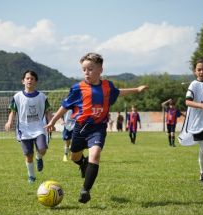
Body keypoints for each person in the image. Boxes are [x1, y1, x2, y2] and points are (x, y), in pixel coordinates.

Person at [45, 52, 148, 203]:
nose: (86, 72)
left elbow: (119, 93)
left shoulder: (107, 86)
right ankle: (83, 164)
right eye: (84, 69)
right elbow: (65, 106)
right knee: (75, 157)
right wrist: (52, 121)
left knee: (95, 155)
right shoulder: (78, 88)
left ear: (100, 69)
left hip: (98, 127)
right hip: (80, 127)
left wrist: (137, 89)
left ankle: (85, 190)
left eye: (90, 69)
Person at [5, 70, 52, 184]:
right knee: (28, 154)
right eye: (27, 78)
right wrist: (9, 122)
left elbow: (48, 111)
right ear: (23, 81)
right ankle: (31, 176)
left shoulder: (42, 97)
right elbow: (13, 111)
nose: (29, 80)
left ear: (35, 81)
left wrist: (51, 122)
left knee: (42, 149)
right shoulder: (17, 97)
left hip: (39, 128)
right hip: (24, 129)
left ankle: (39, 158)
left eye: (32, 78)